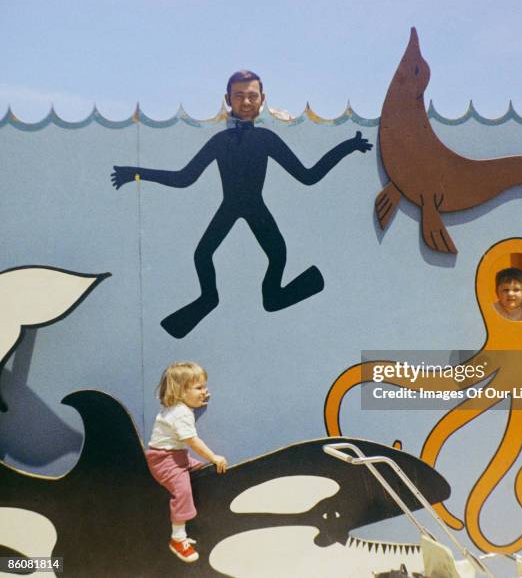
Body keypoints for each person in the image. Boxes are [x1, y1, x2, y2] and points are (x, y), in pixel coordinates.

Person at [111, 70, 372, 338]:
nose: (246, 102)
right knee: (202, 255)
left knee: (277, 258)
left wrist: (348, 147)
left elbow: (308, 176)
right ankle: (208, 298)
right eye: (239, 96)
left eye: (252, 96)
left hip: (255, 207)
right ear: (228, 99)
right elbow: (184, 178)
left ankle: (283, 293)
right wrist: (135, 173)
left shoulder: (266, 139)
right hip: (230, 205)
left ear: (262, 99)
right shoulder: (220, 141)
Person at [146, 362, 227, 563]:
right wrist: (213, 457)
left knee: (201, 473)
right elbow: (192, 441)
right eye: (199, 388)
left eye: (204, 387)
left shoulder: (177, 407)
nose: (205, 391)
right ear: (181, 392)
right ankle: (178, 538)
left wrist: (198, 399)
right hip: (165, 461)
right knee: (182, 491)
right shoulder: (180, 413)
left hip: (177, 456)